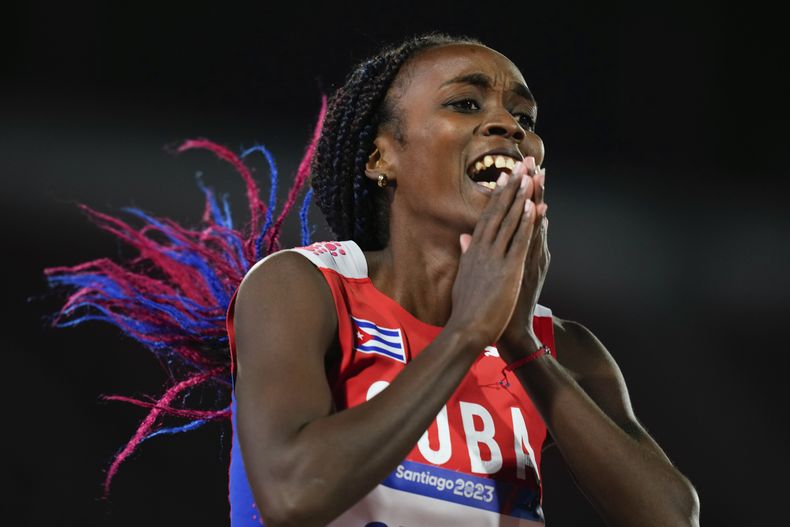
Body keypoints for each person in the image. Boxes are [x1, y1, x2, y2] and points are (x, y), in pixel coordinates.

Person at [228, 32, 701, 527]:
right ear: (380, 158)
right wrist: (467, 333)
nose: (508, 127)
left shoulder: (561, 349)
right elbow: (293, 495)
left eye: (525, 118)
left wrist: (517, 340)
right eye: (466, 103)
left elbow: (672, 518)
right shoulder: (304, 288)